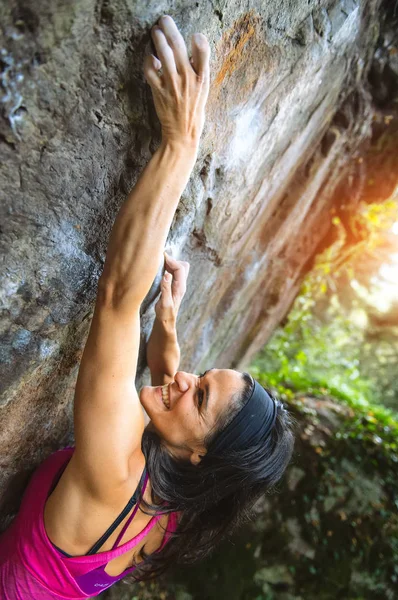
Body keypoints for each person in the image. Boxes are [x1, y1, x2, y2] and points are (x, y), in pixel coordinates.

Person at [0, 14, 295, 599]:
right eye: (203, 377)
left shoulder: (113, 473)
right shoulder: (177, 506)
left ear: (200, 454)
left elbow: (114, 297)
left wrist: (182, 143)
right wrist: (168, 329)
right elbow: (171, 396)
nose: (184, 380)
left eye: (201, 395)